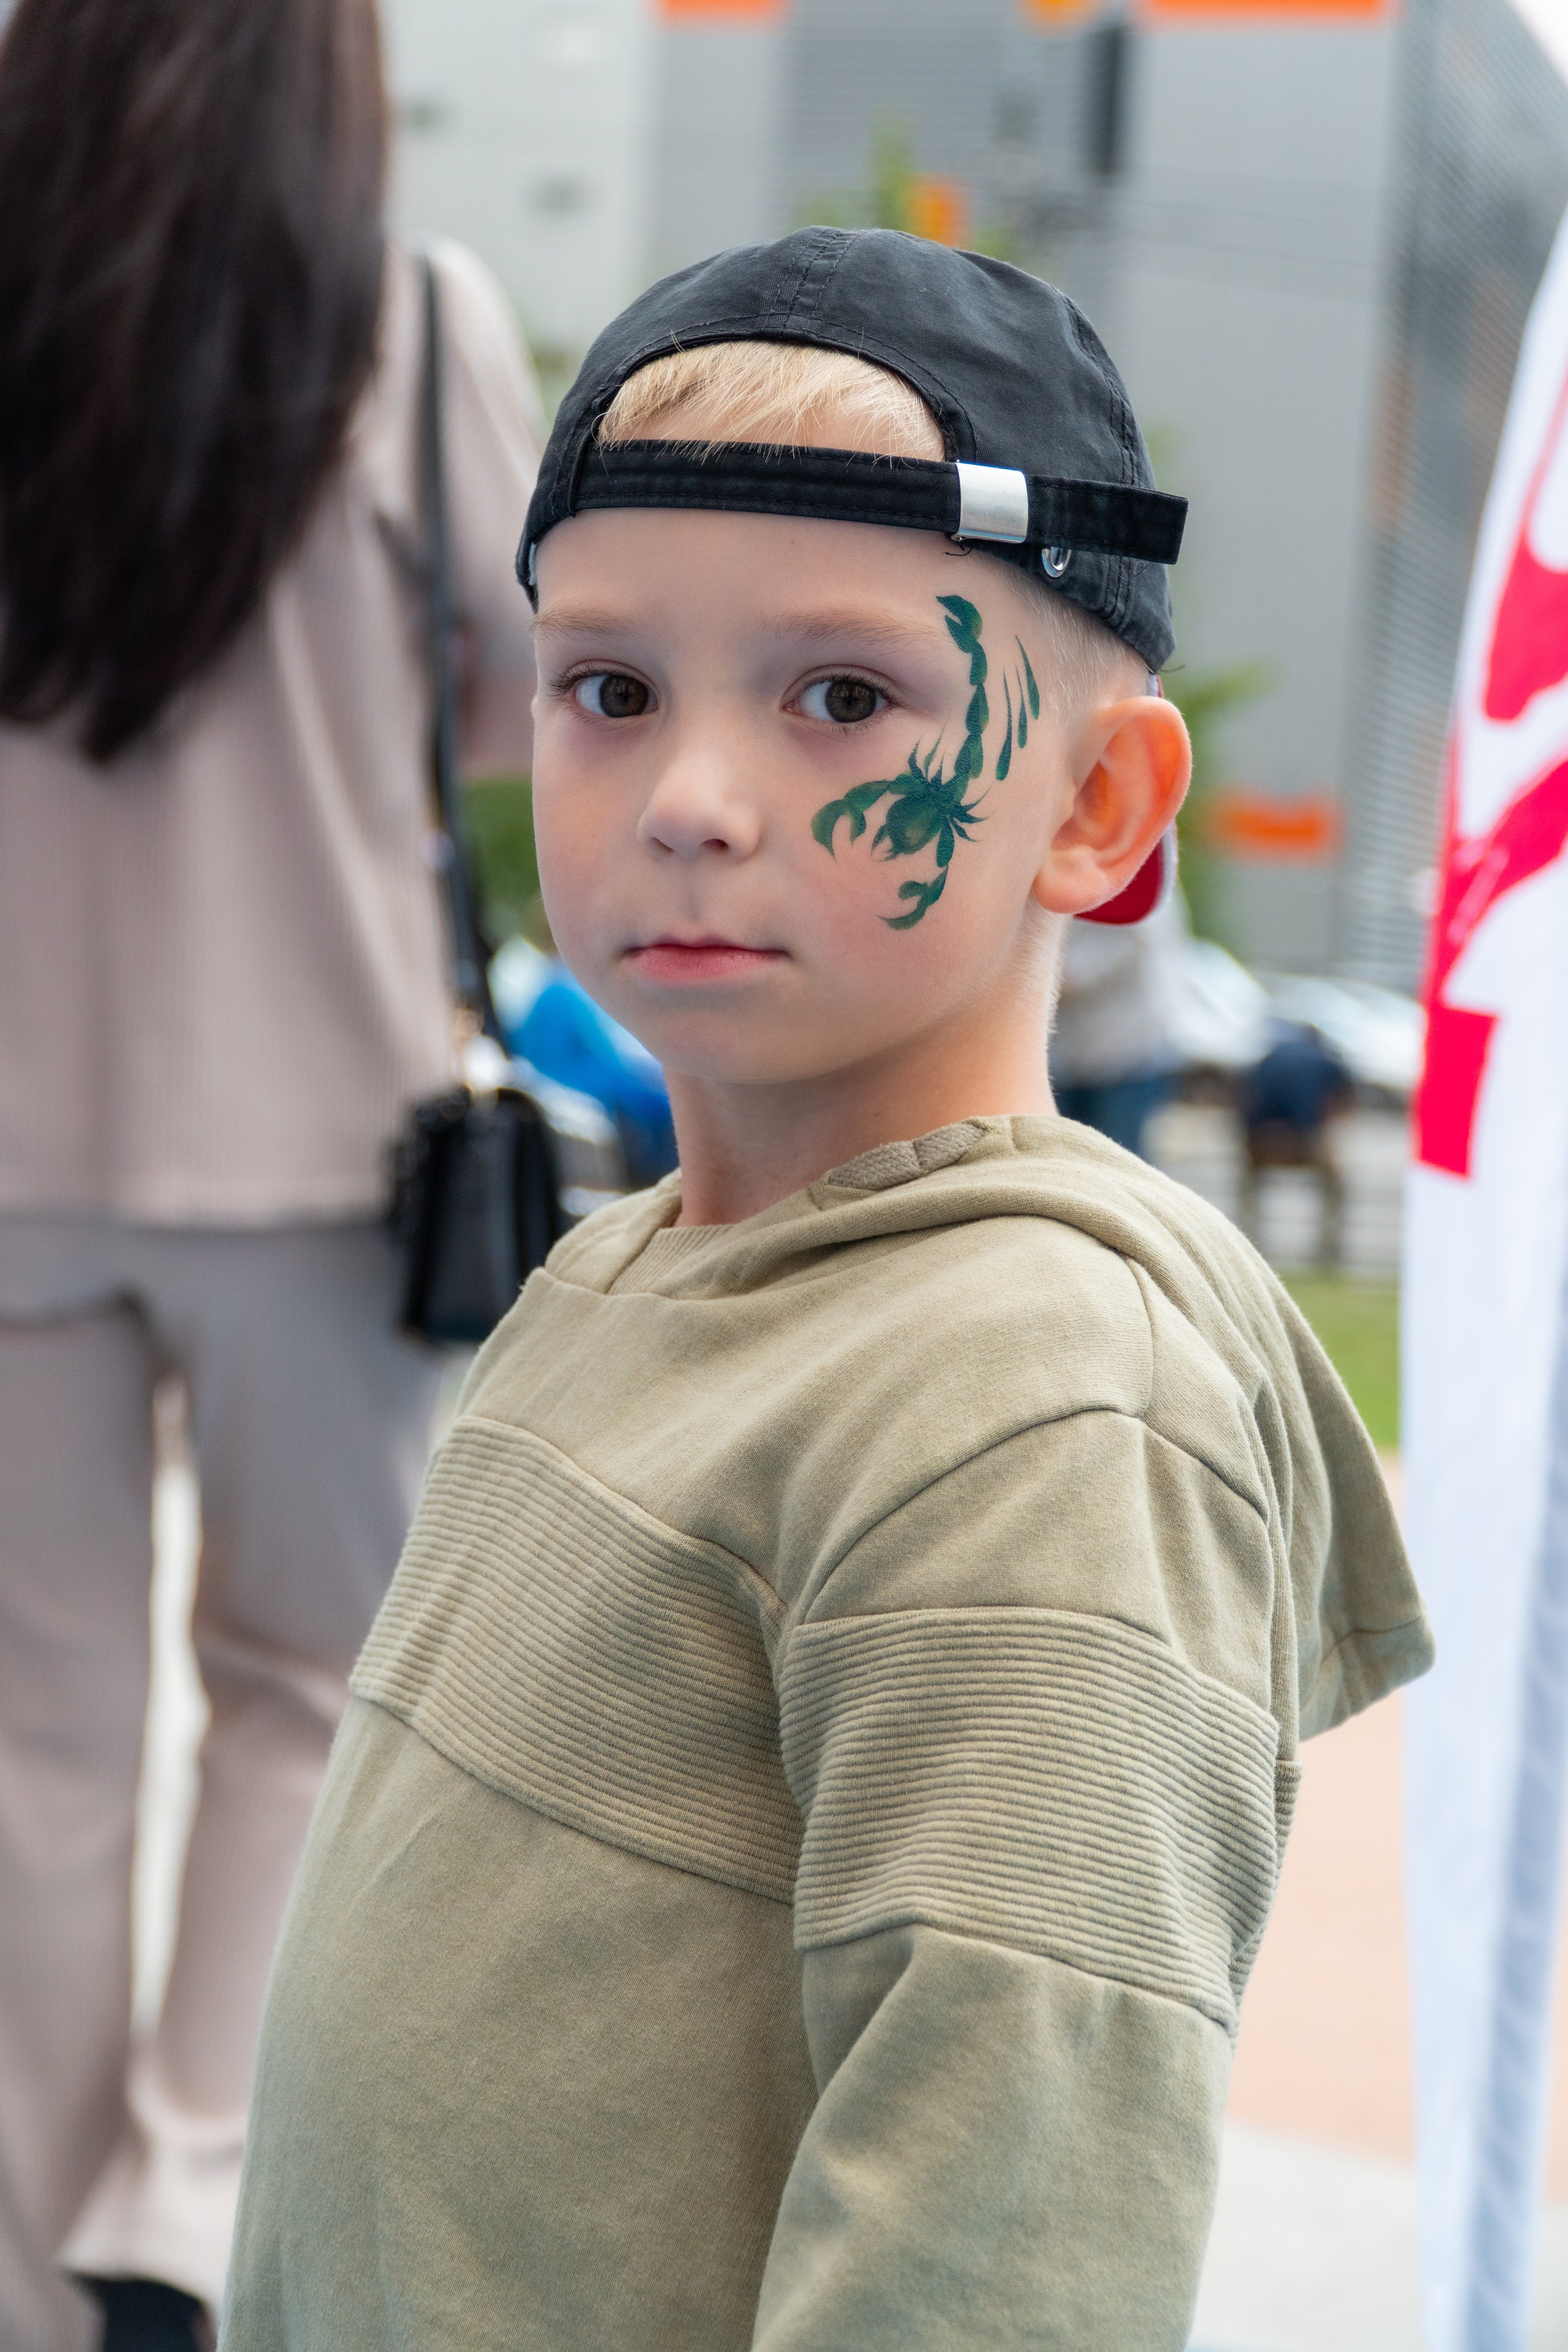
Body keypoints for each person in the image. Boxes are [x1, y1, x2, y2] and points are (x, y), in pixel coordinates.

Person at [221, 228, 1433, 2350]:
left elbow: (1005, 2241)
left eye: (844, 698)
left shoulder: (1037, 1405)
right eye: (611, 691)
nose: (690, 801)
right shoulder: (622, 1266)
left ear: (1100, 809)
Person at [0, 3, 543, 2346]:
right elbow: (532, 694)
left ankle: (25, 2279)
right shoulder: (408, 325)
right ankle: (179, 2207)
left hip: (13, 1140)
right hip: (331, 1144)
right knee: (306, 1688)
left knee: (30, 1738)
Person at [1049, 892, 1189, 1157]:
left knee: (1118, 1160)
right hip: (1076, 1056)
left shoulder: (1137, 893)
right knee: (1069, 1161)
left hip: (1128, 1058)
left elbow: (1074, 975)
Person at [1238, 1022, 1356, 1267]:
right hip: (1304, 1142)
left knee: (1250, 1186)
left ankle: (1246, 1242)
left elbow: (1245, 1098)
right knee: (1336, 1187)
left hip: (1262, 1142)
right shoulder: (1326, 1061)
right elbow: (1342, 1100)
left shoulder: (1268, 1058)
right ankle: (1328, 1251)